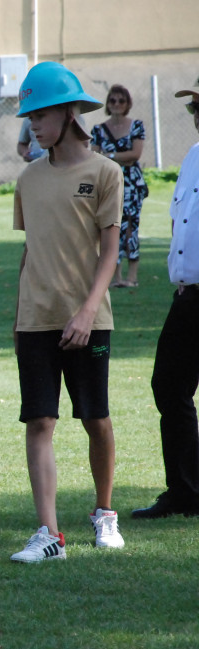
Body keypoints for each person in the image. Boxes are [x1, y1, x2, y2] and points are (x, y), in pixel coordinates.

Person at [10, 61, 125, 563]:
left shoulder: (106, 172)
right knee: (40, 422)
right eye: (29, 116)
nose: (31, 124)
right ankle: (49, 535)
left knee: (95, 418)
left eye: (38, 114)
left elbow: (110, 252)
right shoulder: (28, 178)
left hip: (89, 319)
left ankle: (104, 513)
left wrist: (86, 311)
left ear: (68, 112)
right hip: (36, 319)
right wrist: (19, 315)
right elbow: (29, 251)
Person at [133, 76, 199, 520]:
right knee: (169, 385)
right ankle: (185, 491)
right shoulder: (193, 157)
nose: (196, 116)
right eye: (195, 108)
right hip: (190, 296)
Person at [90, 85, 149, 288]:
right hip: (109, 184)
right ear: (107, 103)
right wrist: (116, 159)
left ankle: (132, 277)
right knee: (111, 227)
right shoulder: (98, 130)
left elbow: (135, 155)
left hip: (132, 185)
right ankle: (115, 277)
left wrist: (111, 156)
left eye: (121, 101)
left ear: (128, 104)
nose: (116, 104)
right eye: (113, 100)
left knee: (131, 228)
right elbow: (94, 157)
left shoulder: (136, 126)